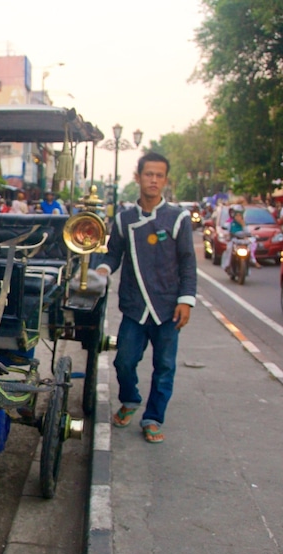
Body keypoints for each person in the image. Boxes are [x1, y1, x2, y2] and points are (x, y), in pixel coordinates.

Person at [95, 153, 196, 444]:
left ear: (165, 180)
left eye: (159, 175)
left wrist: (186, 299)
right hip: (135, 307)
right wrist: (103, 268)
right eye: (148, 174)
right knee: (124, 361)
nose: (153, 180)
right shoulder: (125, 218)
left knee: (164, 367)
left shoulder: (178, 218)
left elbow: (188, 262)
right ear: (138, 177)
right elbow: (113, 253)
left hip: (168, 307)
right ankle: (130, 399)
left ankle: (153, 418)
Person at [221, 204, 260, 270]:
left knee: (252, 246)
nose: (238, 217)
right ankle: (227, 265)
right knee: (229, 249)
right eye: (237, 215)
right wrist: (227, 235)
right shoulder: (230, 223)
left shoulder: (244, 223)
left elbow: (247, 232)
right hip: (234, 241)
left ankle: (253, 261)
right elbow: (226, 230)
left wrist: (243, 225)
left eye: (240, 215)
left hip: (243, 242)